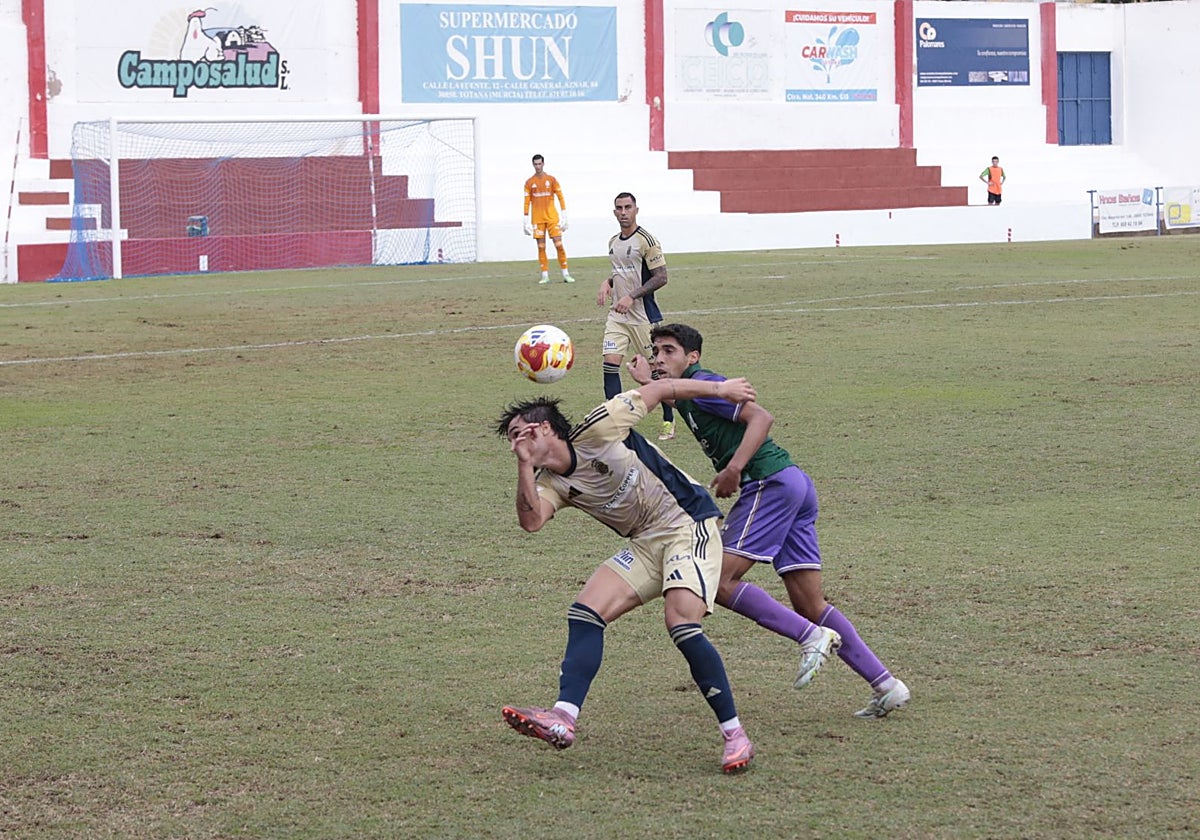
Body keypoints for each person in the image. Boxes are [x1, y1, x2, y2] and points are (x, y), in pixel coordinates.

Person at [628, 323, 911, 719]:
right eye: (656, 351)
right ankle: (886, 685)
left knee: (718, 581)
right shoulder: (693, 390)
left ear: (693, 357)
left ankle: (811, 637)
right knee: (810, 603)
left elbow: (761, 417)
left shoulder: (708, 383)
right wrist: (649, 382)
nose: (659, 358)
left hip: (769, 483)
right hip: (794, 484)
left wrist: (734, 468)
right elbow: (683, 400)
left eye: (669, 351)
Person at [495, 372, 761, 773]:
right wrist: (523, 465)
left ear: (545, 428)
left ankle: (735, 735)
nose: (518, 442)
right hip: (645, 543)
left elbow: (661, 389)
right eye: (513, 440)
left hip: (688, 523)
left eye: (522, 433)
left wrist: (720, 390)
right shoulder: (550, 483)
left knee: (681, 623)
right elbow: (531, 522)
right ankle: (563, 717)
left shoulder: (600, 426)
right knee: (585, 613)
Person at [597, 191, 676, 441]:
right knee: (610, 364)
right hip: (617, 317)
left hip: (643, 317)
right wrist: (608, 282)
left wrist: (631, 296)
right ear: (614, 212)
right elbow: (623, 271)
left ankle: (669, 420)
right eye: (619, 208)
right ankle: (615, 423)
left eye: (628, 207)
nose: (623, 212)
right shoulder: (613, 242)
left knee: (656, 371)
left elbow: (661, 277)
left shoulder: (647, 240)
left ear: (636, 210)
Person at [523, 154, 574, 284]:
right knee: (541, 247)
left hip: (552, 217)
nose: (538, 166)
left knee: (559, 245)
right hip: (538, 219)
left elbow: (560, 197)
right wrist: (525, 220)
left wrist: (564, 215)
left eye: (540, 164)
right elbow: (527, 201)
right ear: (533, 165)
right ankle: (545, 275)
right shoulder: (529, 182)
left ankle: (566, 274)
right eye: (535, 164)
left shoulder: (551, 180)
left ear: (543, 164)